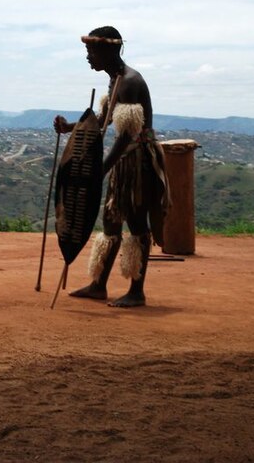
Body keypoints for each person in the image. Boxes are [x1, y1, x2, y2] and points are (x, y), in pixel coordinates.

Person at [54, 26, 169, 308]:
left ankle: (136, 291)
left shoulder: (129, 82)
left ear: (108, 50)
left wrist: (100, 170)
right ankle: (98, 285)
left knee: (136, 223)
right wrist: (71, 128)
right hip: (125, 161)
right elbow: (103, 121)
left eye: (91, 51)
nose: (88, 57)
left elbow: (128, 134)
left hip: (137, 162)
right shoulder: (115, 80)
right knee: (110, 221)